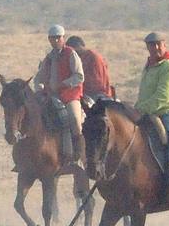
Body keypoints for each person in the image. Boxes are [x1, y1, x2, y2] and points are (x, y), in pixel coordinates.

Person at [136, 31, 169, 201]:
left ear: (164, 45)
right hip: (149, 111)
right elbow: (144, 93)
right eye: (152, 45)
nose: (156, 48)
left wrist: (142, 109)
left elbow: (163, 97)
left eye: (159, 44)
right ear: (147, 47)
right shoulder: (149, 67)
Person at [33, 24, 85, 160]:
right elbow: (38, 77)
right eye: (52, 38)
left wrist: (63, 85)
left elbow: (79, 76)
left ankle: (78, 152)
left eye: (58, 38)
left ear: (63, 38)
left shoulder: (71, 54)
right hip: (51, 96)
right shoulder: (49, 58)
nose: (55, 41)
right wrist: (39, 89)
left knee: (74, 119)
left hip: (70, 95)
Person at [66, 36, 115, 102]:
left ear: (79, 46)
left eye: (74, 50)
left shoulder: (93, 57)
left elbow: (96, 82)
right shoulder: (81, 57)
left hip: (97, 94)